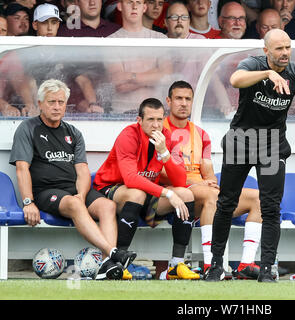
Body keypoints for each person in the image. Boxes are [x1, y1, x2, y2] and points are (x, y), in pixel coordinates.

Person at [205, 29, 295, 282]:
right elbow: (235, 79)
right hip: (241, 138)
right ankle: (216, 265)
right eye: (279, 49)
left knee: (271, 208)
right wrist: (268, 73)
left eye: (288, 47)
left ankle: (267, 269)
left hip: (272, 144)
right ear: (266, 51)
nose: (285, 53)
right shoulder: (254, 65)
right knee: (226, 203)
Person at [9, 79, 136, 280]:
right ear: (40, 103)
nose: (57, 106)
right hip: (47, 192)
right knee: (75, 205)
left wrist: (81, 194)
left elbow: (83, 171)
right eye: (51, 102)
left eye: (61, 102)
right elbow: (22, 169)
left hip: (73, 189)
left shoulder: (73, 132)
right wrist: (28, 202)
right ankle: (113, 254)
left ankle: (106, 267)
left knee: (108, 206)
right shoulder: (28, 128)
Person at [162, 80, 263, 279]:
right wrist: (198, 184)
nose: (183, 103)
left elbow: (208, 175)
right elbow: (159, 174)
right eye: (178, 98)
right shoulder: (160, 128)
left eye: (188, 99)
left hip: (202, 195)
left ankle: (246, 264)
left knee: (257, 198)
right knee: (211, 196)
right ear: (168, 101)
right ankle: (211, 265)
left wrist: (207, 183)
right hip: (173, 195)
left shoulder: (201, 134)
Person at [93, 97, 200, 280]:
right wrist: (167, 193)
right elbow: (131, 178)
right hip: (110, 189)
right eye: (150, 120)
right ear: (139, 120)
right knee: (136, 193)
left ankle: (175, 265)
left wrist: (164, 153)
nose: (156, 125)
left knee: (186, 194)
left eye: (159, 119)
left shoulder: (166, 137)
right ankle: (119, 264)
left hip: (145, 193)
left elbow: (180, 180)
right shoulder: (128, 136)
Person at [106, 0, 170, 114]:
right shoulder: (110, 41)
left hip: (156, 113)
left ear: (144, 7)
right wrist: (154, 75)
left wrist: (131, 76)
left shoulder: (160, 39)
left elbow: (167, 77)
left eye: (138, 3)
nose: (134, 7)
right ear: (120, 6)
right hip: (122, 112)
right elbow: (119, 83)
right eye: (130, 2)